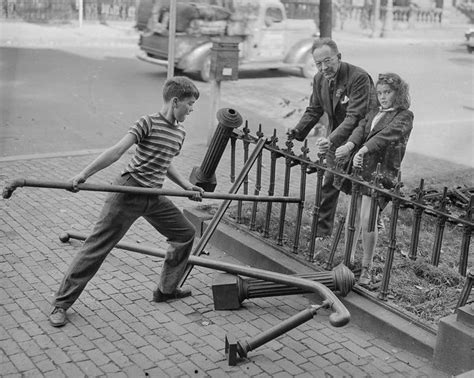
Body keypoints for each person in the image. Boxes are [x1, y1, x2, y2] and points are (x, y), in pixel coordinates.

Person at [49, 76, 204, 327]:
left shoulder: (180, 132)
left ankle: (166, 290)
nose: (192, 109)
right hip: (128, 191)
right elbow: (117, 151)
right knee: (96, 247)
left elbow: (165, 163)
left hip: (153, 196)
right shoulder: (148, 122)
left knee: (185, 233)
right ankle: (61, 304)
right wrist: (84, 174)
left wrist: (186, 186)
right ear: (175, 101)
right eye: (189, 103)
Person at [288, 38, 376, 239]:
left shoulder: (359, 77)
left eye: (328, 61)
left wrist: (332, 138)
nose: (323, 67)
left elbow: (355, 116)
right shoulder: (319, 79)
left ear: (339, 57)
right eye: (318, 63)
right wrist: (295, 133)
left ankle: (367, 228)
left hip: (360, 138)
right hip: (335, 138)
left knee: (361, 189)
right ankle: (322, 233)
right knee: (328, 183)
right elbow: (314, 109)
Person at [335, 72, 413, 286]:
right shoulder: (374, 112)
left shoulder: (404, 116)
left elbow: (386, 135)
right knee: (353, 214)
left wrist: (364, 149)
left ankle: (366, 268)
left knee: (368, 218)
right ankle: (347, 261)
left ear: (398, 93)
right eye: (379, 93)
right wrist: (350, 145)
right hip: (361, 169)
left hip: (381, 173)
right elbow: (360, 129)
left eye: (387, 92)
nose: (383, 97)